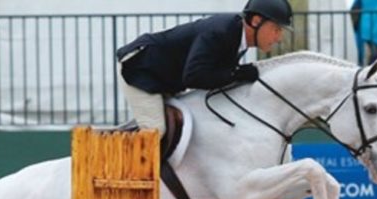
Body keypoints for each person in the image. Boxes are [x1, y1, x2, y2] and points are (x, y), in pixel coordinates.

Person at [116, 0, 293, 135]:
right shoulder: (221, 32)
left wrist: (236, 74)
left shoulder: (237, 38)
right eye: (276, 29)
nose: (279, 38)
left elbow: (214, 76)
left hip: (164, 77)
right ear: (256, 21)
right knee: (156, 131)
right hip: (141, 68)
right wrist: (237, 73)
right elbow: (194, 76)